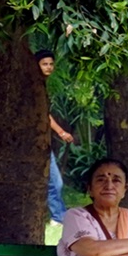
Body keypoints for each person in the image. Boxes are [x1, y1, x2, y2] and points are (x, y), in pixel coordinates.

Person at [35, 49, 71, 226]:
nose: (48, 67)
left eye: (50, 64)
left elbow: (45, 115)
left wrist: (61, 133)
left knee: (55, 182)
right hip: (33, 144)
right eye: (44, 64)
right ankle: (58, 217)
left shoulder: (41, 86)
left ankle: (59, 217)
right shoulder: (33, 87)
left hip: (42, 143)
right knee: (54, 182)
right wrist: (61, 132)